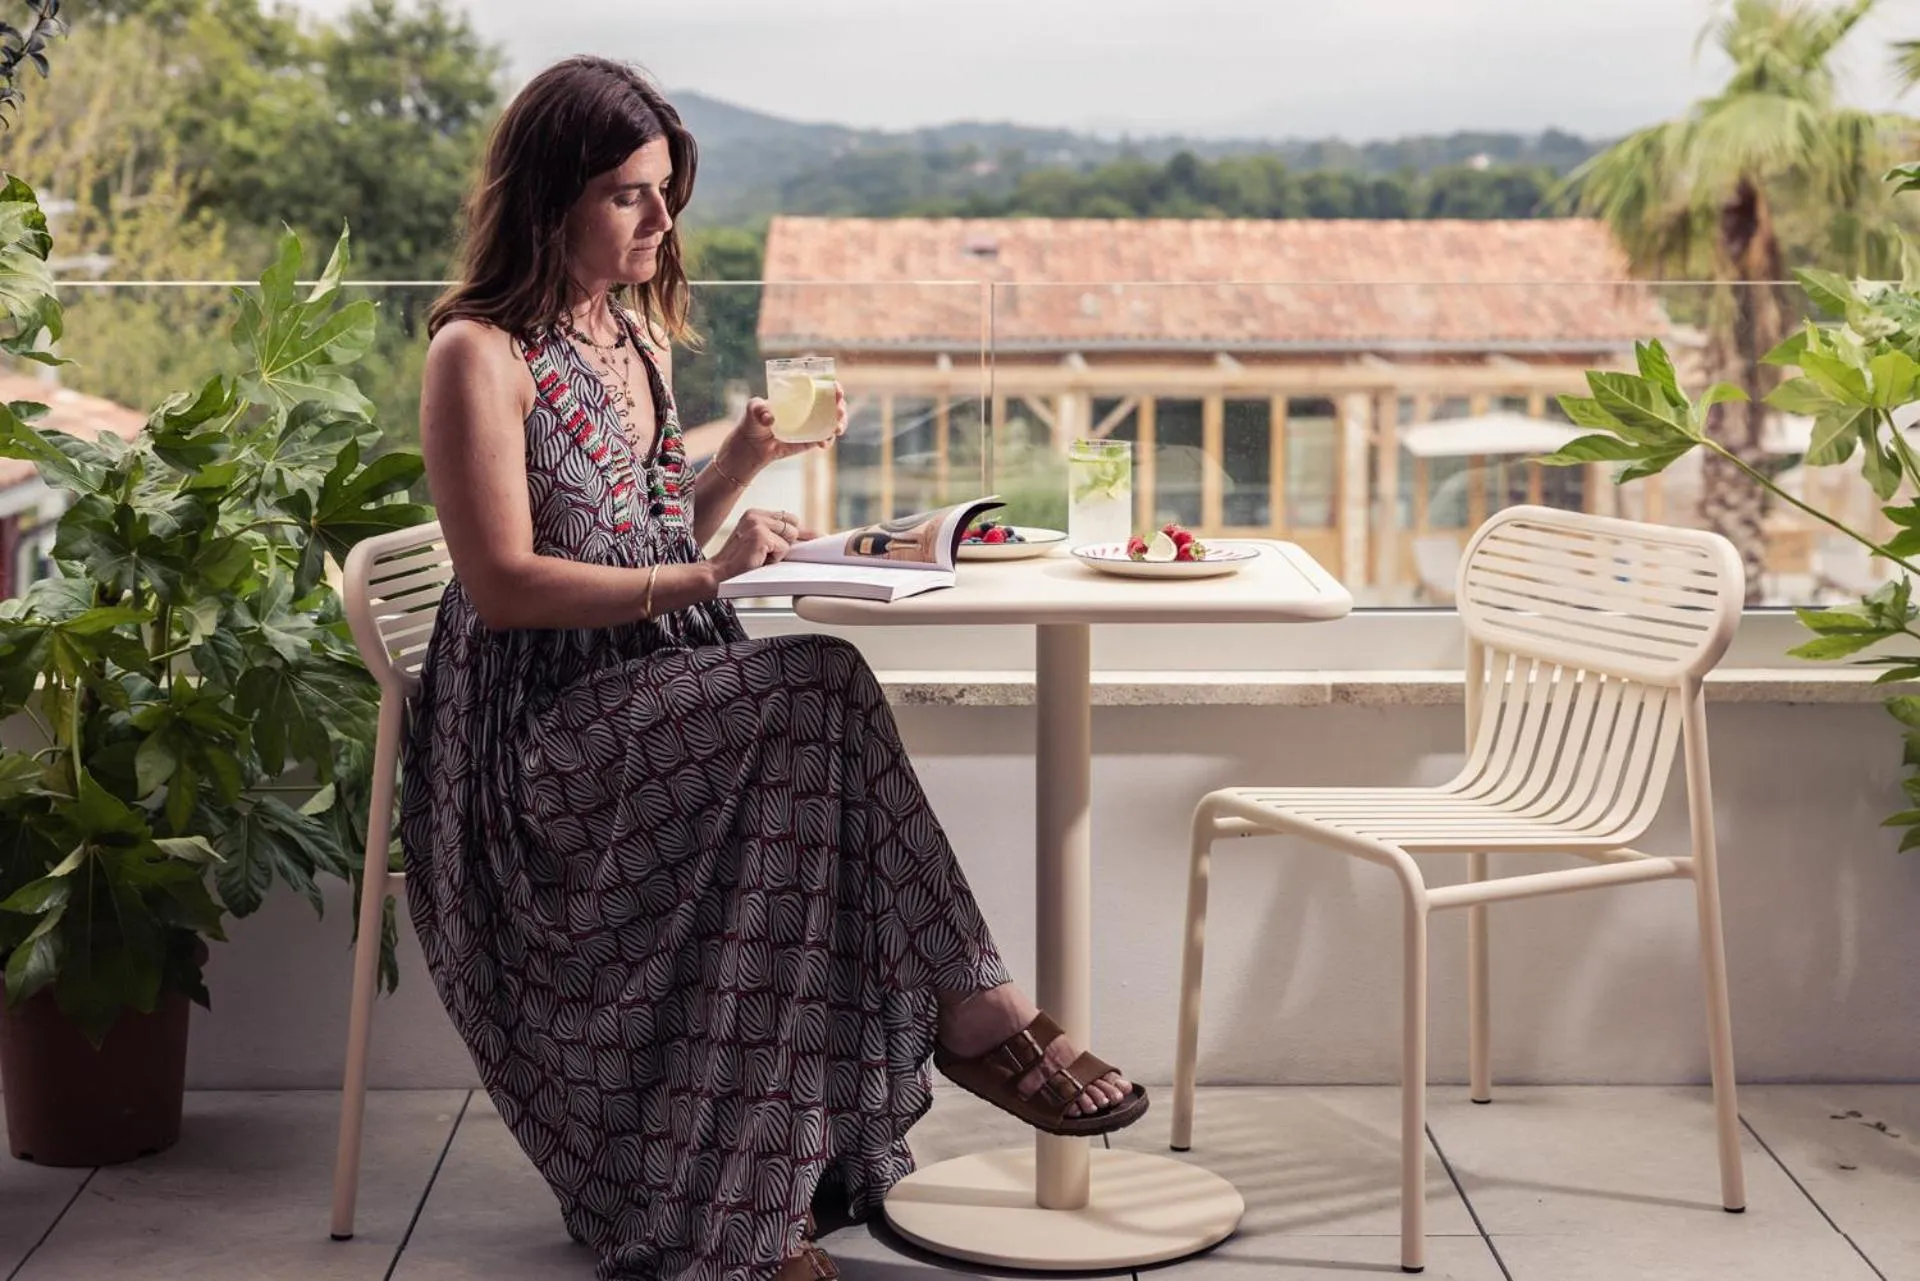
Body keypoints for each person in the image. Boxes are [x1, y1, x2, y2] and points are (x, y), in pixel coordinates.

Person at [399, 55, 1147, 1281]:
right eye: (630, 194)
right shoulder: (477, 355)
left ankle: (769, 1192)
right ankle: (981, 1019)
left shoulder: (626, 333)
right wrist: (711, 578)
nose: (661, 220)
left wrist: (740, 464)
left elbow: (638, 531)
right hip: (537, 745)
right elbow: (505, 586)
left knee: (811, 749)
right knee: (817, 691)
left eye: (667, 192)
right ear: (549, 196)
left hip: (647, 692)